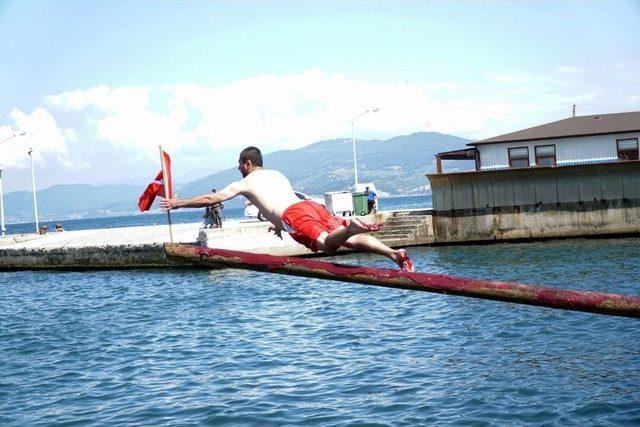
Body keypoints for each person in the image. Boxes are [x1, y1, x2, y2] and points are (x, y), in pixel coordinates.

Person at [160, 146, 414, 272]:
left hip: (294, 214)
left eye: (240, 164)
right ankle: (393, 254)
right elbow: (281, 201)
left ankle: (351, 227)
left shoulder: (245, 182)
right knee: (352, 240)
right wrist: (278, 224)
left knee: (327, 244)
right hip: (309, 206)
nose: (238, 168)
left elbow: (212, 199)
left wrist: (178, 203)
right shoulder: (277, 174)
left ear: (248, 163)